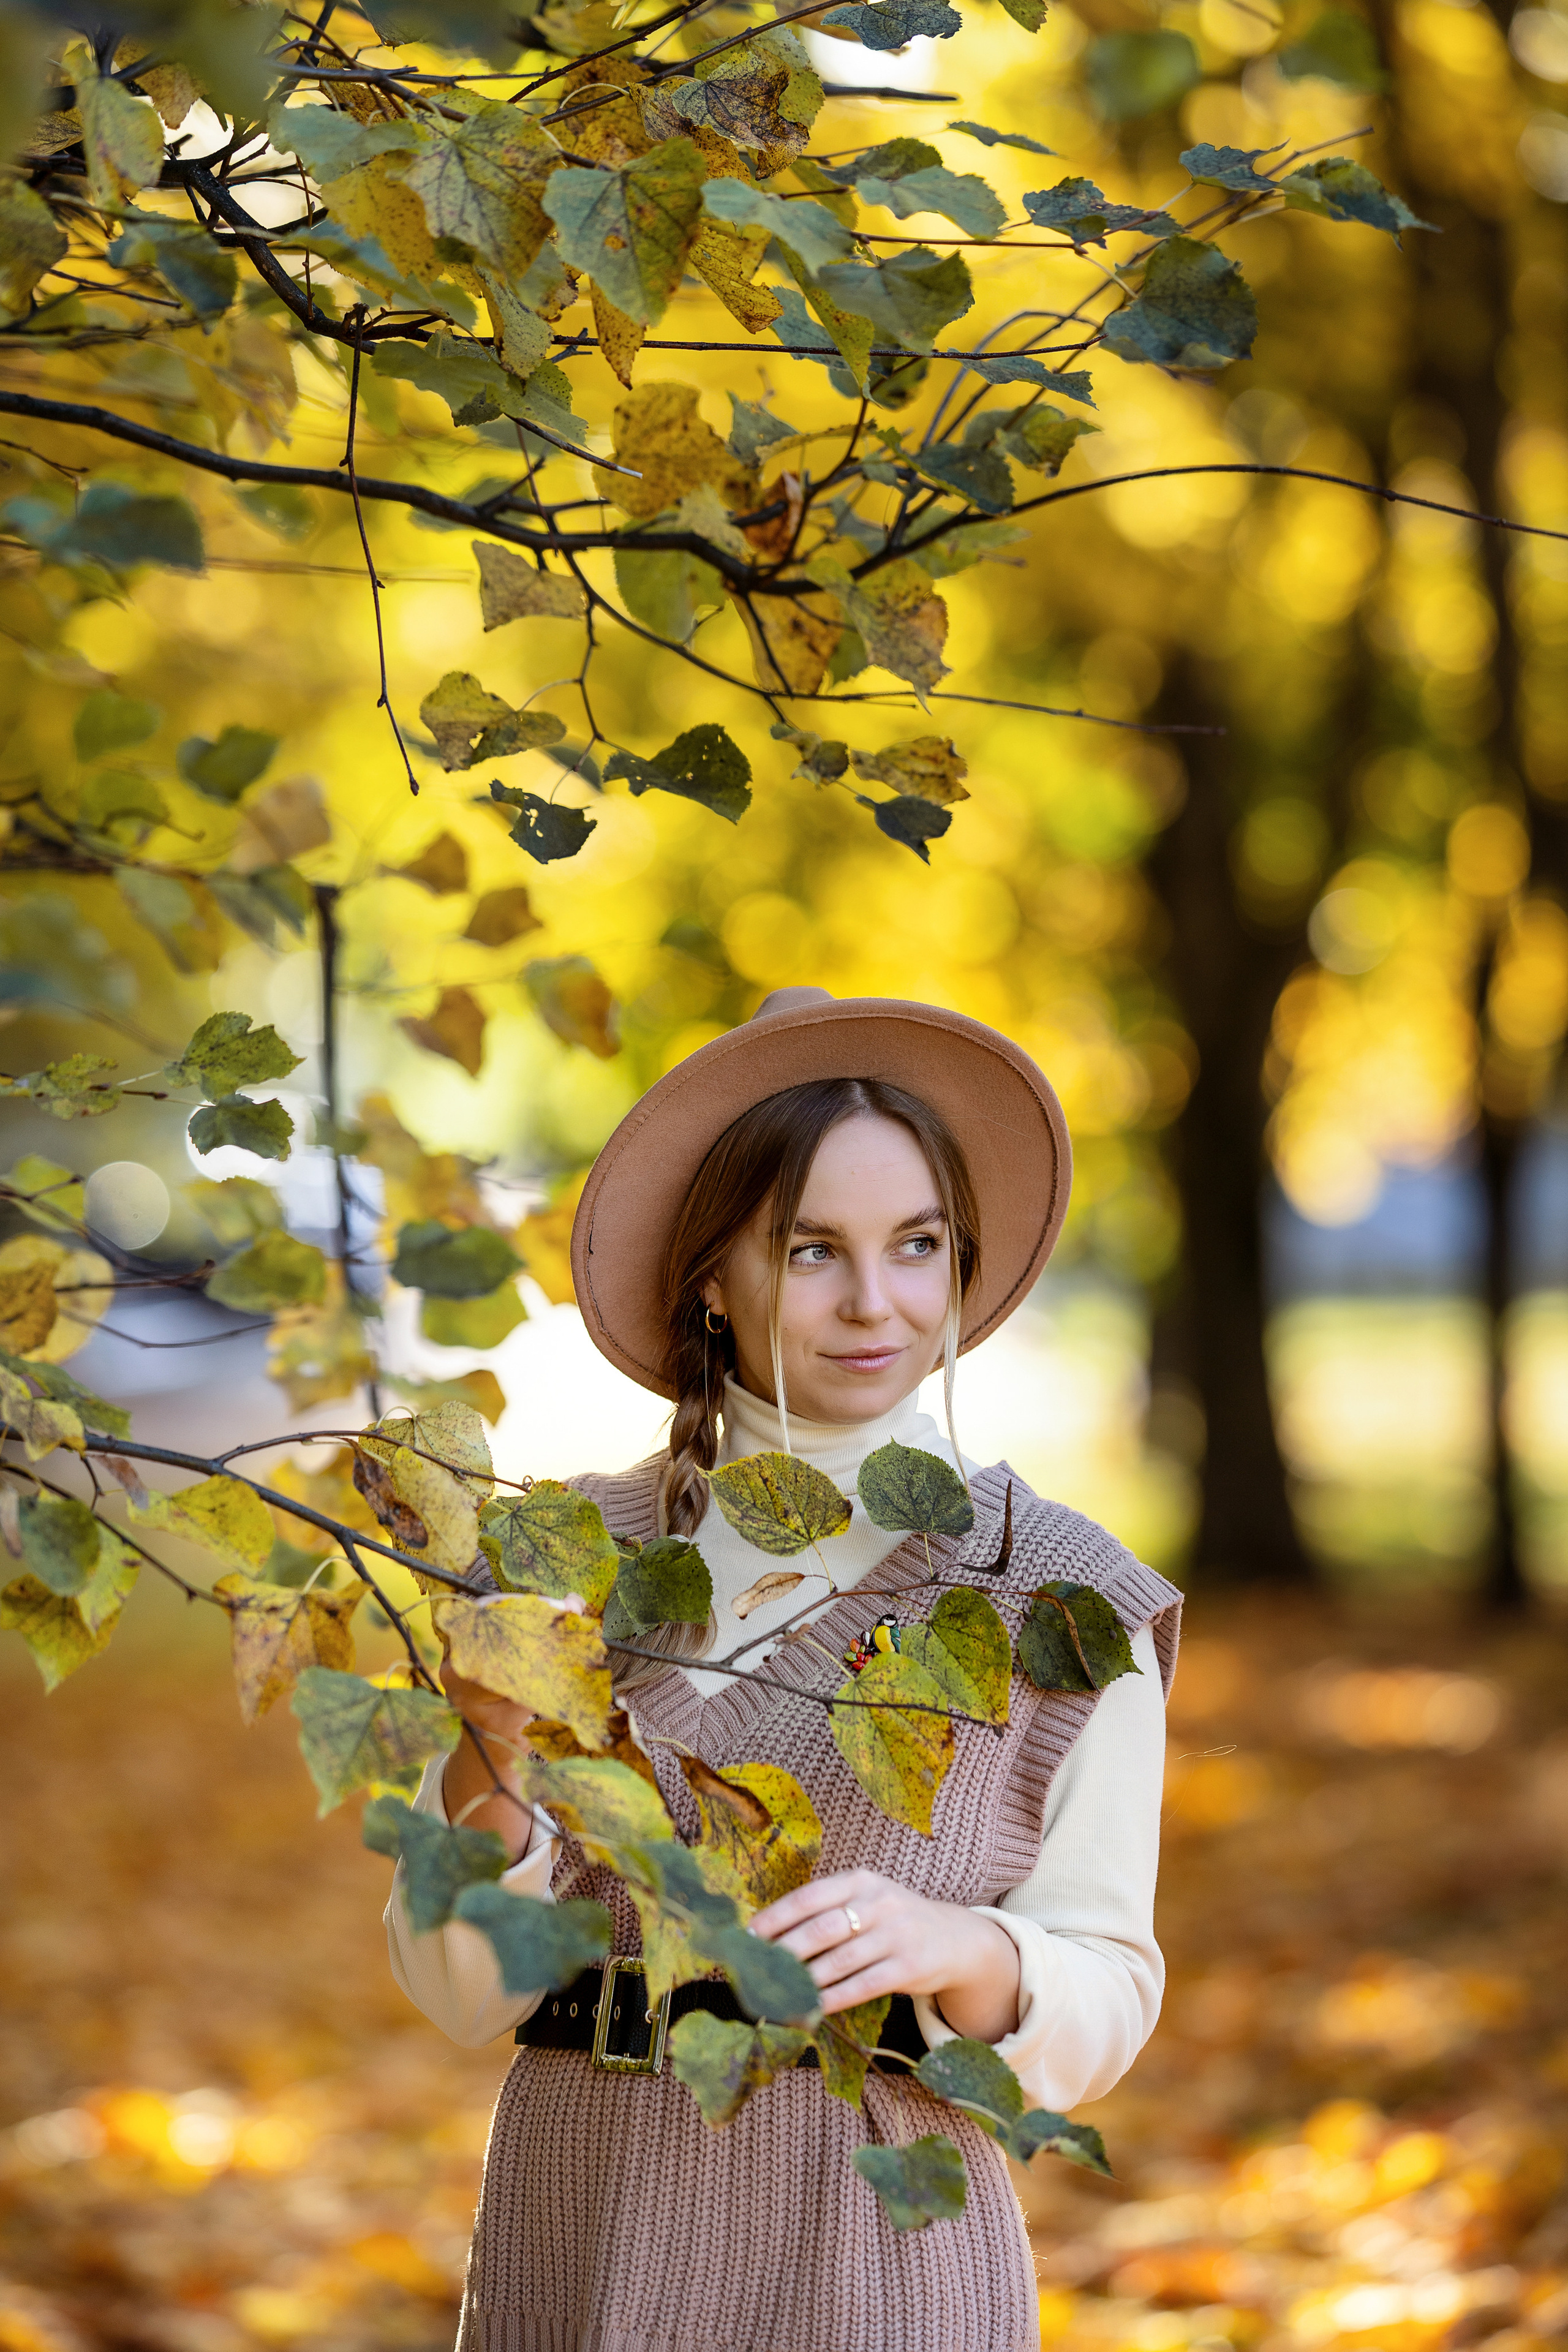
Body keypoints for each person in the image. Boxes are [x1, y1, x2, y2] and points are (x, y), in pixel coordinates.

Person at [385, 987, 1182, 2352]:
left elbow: (1107, 1992)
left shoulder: (1056, 1593)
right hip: (583, 2216)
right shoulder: (557, 1563)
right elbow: (465, 1990)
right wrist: (494, 1755)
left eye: (915, 1245)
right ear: (711, 1274)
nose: (875, 1303)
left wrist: (964, 1947)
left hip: (875, 2252)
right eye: (810, 1250)